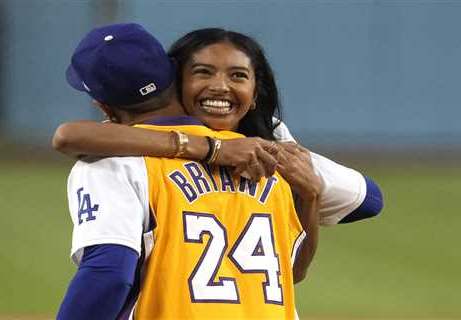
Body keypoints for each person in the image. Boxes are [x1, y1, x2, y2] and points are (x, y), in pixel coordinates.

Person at [57, 23, 317, 320]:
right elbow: (291, 271)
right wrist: (311, 195)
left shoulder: (110, 162)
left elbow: (109, 273)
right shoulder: (264, 158)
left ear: (102, 105)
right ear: (175, 76)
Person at [53, 28, 383, 227]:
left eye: (237, 75)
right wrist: (213, 149)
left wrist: (306, 192)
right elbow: (70, 136)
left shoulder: (267, 138)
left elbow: (368, 199)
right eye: (203, 72)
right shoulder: (131, 138)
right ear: (175, 76)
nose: (219, 87)